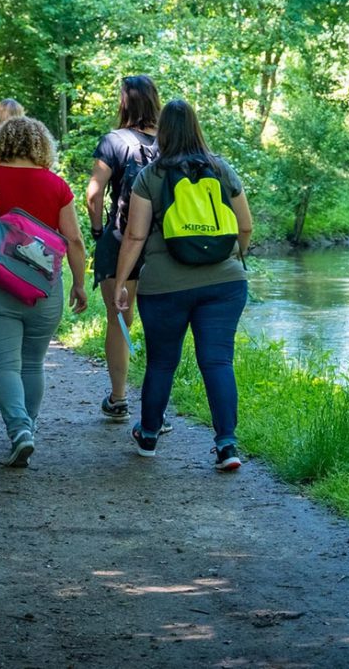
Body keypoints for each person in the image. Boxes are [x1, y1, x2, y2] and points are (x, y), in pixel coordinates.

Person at [111, 99, 253, 471]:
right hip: (225, 284)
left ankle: (150, 435)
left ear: (165, 132)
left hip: (164, 287)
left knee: (162, 362)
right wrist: (228, 259)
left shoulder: (151, 175)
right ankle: (226, 446)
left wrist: (122, 281)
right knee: (218, 361)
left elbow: (135, 236)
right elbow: (245, 226)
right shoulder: (222, 169)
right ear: (196, 127)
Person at [0, 117, 89, 467]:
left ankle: (20, 431)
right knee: (32, 362)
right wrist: (78, 283)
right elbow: (73, 239)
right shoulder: (57, 185)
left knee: (4, 366)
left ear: (1, 144)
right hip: (44, 289)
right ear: (42, 147)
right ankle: (29, 426)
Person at [85, 75, 160, 420]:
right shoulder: (171, 142)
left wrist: (98, 229)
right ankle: (156, 408)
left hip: (119, 242)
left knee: (119, 321)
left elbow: (93, 193)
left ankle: (118, 399)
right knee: (161, 325)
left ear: (124, 102)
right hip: (163, 247)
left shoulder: (113, 141)